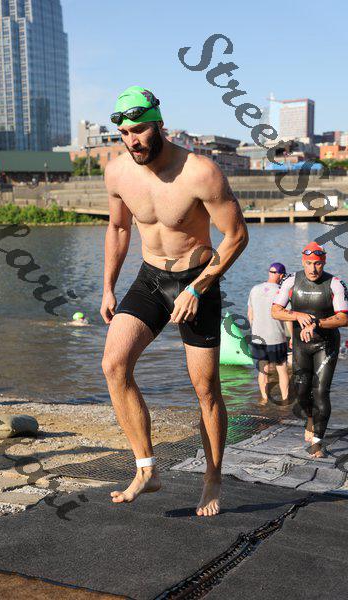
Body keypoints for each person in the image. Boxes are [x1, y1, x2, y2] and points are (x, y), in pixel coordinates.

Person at [100, 85, 248, 516]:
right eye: (125, 133)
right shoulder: (117, 173)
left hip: (197, 279)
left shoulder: (200, 172)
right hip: (150, 278)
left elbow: (236, 236)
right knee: (114, 365)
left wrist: (198, 287)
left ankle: (213, 478)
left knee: (206, 390)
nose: (132, 140)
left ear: (159, 125)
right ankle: (146, 469)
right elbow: (119, 228)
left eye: (140, 130)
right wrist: (108, 286)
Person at [271, 242, 348, 458]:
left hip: (326, 345)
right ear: (303, 262)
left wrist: (316, 323)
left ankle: (318, 443)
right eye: (309, 263)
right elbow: (275, 311)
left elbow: (344, 318)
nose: (313, 269)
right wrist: (297, 315)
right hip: (301, 345)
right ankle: (311, 419)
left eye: (318, 264)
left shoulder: (335, 284)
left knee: (321, 391)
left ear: (324, 262)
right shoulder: (291, 281)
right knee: (301, 392)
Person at [248, 262, 289, 404]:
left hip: (258, 337)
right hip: (276, 337)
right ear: (282, 276)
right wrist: (290, 337)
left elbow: (250, 315)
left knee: (262, 370)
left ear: (269, 272)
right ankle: (285, 400)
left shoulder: (254, 289)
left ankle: (264, 399)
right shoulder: (282, 291)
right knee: (282, 370)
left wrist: (255, 330)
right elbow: (287, 317)